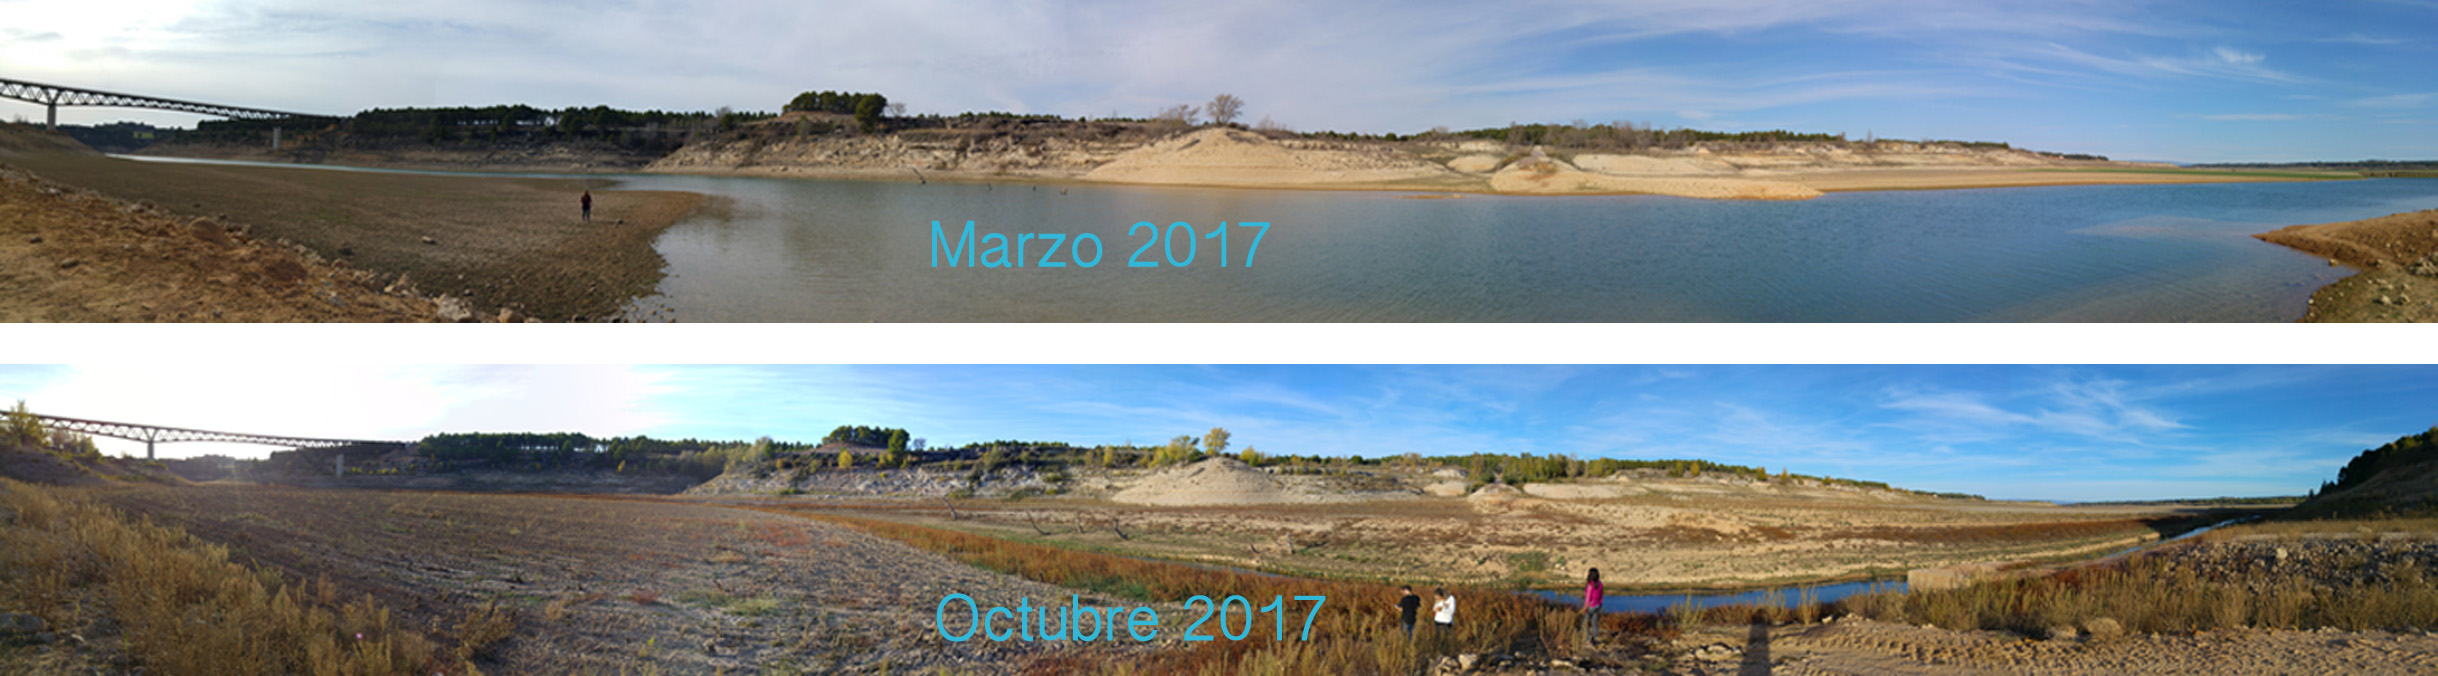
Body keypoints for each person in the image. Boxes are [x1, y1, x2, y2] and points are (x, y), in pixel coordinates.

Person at [1582, 568, 1605, 647]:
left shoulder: (1590, 585)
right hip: (1597, 605)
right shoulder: (1600, 583)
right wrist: (1600, 604)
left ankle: (1588, 641)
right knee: (1594, 623)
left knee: (1584, 623)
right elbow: (1601, 595)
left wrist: (1585, 608)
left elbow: (1588, 598)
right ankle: (1594, 639)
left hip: (1590, 606)